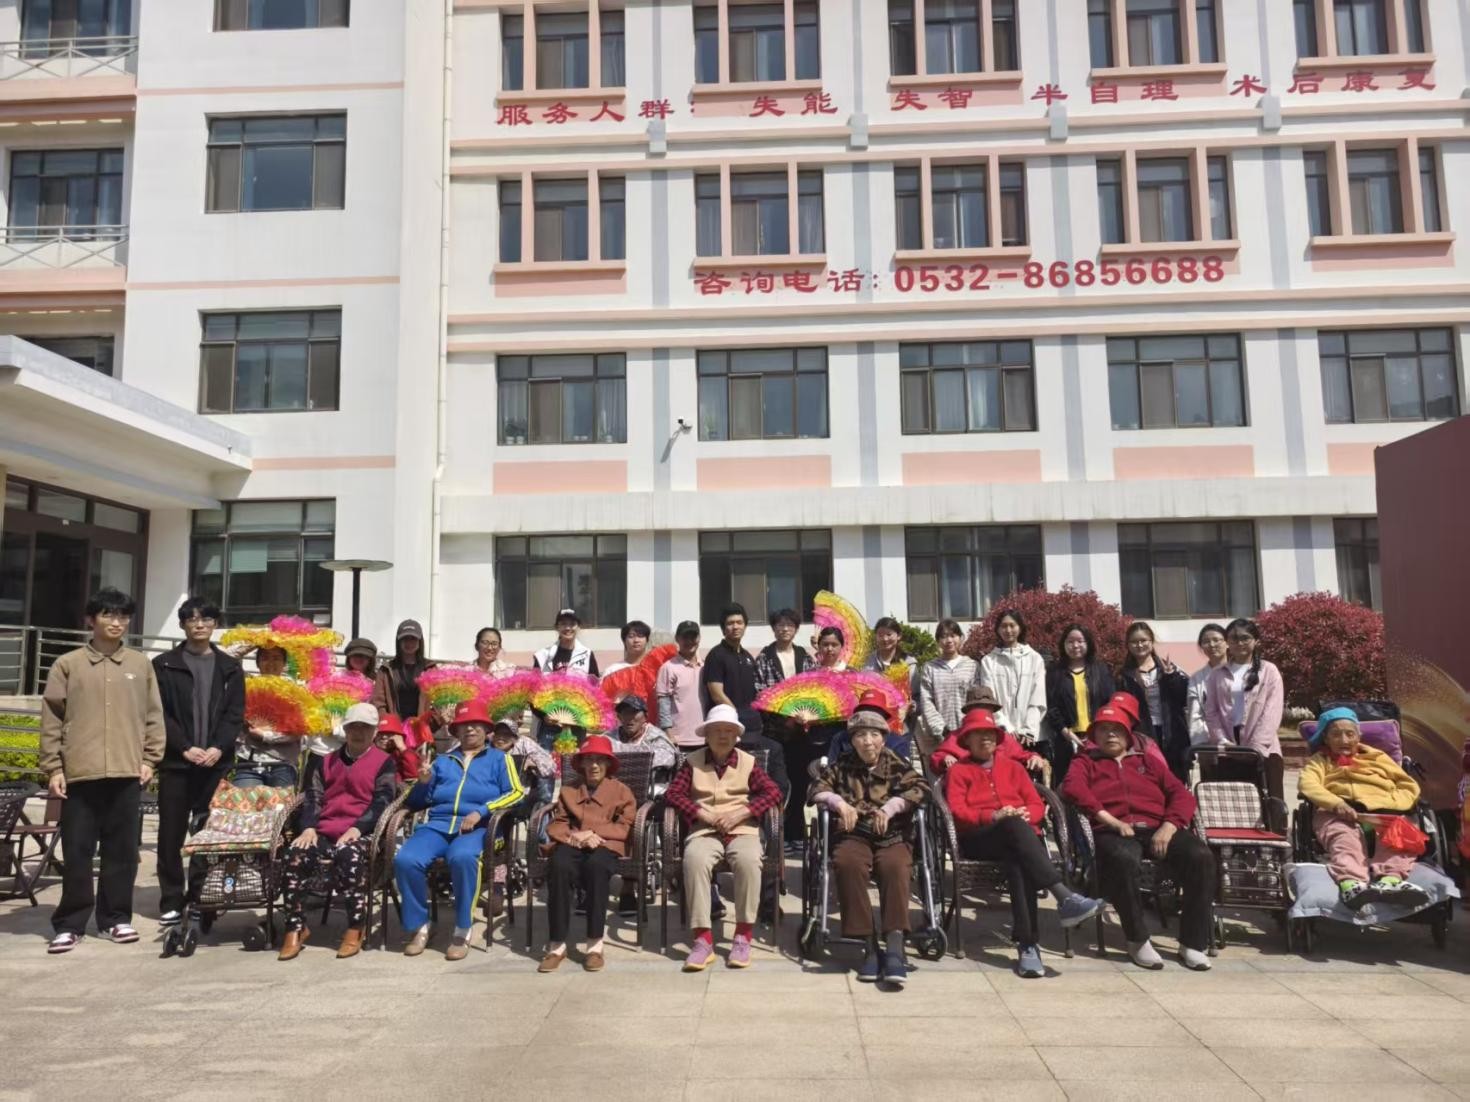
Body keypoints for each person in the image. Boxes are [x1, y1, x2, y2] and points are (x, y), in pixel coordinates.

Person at [38, 588, 164, 954]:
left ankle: (115, 918)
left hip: (126, 771)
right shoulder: (68, 664)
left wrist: (150, 759)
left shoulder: (140, 665)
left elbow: (154, 715)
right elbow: (52, 719)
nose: (117, 622)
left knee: (121, 852)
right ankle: (70, 923)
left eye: (123, 616)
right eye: (108, 614)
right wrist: (53, 767)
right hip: (80, 772)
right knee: (77, 851)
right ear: (90, 620)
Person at [945, 710, 1103, 978]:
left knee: (1019, 859)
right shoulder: (959, 771)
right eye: (978, 734)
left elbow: (1035, 804)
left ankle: (1028, 945)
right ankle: (1064, 897)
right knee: (1013, 828)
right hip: (979, 839)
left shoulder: (1013, 768)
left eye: (990, 733)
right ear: (967, 741)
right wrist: (993, 815)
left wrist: (1026, 814)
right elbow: (957, 811)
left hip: (1018, 839)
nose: (985, 738)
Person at [1062, 704, 1216, 972]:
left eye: (1117, 729)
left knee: (1201, 856)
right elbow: (1073, 789)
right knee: (1123, 859)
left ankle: (1192, 943)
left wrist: (1169, 826)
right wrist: (1111, 821)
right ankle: (1138, 939)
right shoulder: (1085, 762)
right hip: (1112, 830)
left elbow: (1181, 794)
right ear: (1094, 736)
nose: (1111, 734)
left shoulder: (1147, 762)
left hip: (1157, 827)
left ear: (1128, 735)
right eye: (1104, 730)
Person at [394, 700, 525, 960]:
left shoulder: (500, 759)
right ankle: (420, 925)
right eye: (464, 726)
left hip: (480, 828)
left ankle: (462, 927)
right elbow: (416, 802)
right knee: (405, 859)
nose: (470, 730)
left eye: (476, 725)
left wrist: (482, 811)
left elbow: (517, 792)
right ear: (456, 731)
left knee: (462, 857)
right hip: (438, 825)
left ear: (486, 730)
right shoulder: (442, 761)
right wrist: (423, 783)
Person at [808, 709, 930, 985]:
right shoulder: (842, 765)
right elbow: (816, 789)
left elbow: (922, 789)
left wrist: (891, 808)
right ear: (852, 740)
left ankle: (895, 945)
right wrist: (839, 803)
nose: (867, 741)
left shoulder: (896, 763)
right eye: (861, 735)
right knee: (847, 863)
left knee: (895, 867)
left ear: (883, 739)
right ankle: (868, 944)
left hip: (892, 835)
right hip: (854, 834)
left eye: (874, 735)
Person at [664, 705, 783, 971]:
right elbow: (673, 794)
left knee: (749, 861)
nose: (722, 735)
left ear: (736, 736)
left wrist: (743, 812)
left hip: (742, 828)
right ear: (706, 735)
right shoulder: (692, 762)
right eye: (716, 730)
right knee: (694, 860)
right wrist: (702, 814)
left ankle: (743, 936)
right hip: (704, 829)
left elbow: (773, 792)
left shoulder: (748, 762)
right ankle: (702, 940)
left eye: (728, 731)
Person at [152, 597, 245, 929]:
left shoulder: (229, 667)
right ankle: (171, 900)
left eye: (206, 619)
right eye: (192, 619)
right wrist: (184, 747)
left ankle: (199, 895)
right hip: (177, 763)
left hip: (215, 763)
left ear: (215, 624)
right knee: (171, 833)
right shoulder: (164, 664)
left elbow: (235, 713)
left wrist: (219, 747)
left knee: (207, 833)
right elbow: (159, 713)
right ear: (182, 625)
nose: (200, 624)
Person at [278, 703, 397, 960]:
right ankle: (295, 927)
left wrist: (358, 827)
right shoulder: (326, 761)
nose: (358, 732)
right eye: (353, 727)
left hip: (363, 831)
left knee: (349, 854)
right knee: (294, 855)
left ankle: (355, 926)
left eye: (365, 728)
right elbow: (313, 796)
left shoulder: (384, 762)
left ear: (374, 732)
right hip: (325, 829)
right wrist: (308, 827)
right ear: (345, 729)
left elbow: (383, 800)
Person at [1299, 707, 1430, 910]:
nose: (1344, 740)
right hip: (1338, 812)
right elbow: (1308, 784)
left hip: (1385, 810)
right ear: (1325, 738)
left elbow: (1407, 785)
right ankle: (1352, 884)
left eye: (1350, 734)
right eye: (1336, 734)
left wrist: (1393, 805)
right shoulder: (1320, 760)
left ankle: (1390, 881)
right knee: (1344, 837)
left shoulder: (1378, 757)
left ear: (1359, 736)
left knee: (1400, 835)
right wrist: (1336, 804)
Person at [538, 735, 637, 973]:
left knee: (597, 867)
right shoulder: (569, 790)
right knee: (559, 865)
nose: (594, 765)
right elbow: (557, 823)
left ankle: (594, 944)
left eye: (600, 760)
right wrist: (577, 836)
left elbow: (626, 826)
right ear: (581, 764)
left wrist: (592, 832)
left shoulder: (621, 791)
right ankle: (557, 945)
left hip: (606, 844)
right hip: (573, 842)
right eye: (589, 760)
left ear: (608, 764)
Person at [776, 625, 849, 850]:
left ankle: (836, 835)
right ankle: (794, 832)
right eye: (825, 644)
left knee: (838, 786)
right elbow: (795, 703)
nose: (829, 649)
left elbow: (851, 708)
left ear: (841, 647)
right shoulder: (809, 676)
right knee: (801, 784)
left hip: (840, 739)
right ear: (818, 647)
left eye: (834, 645)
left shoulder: (851, 674)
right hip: (809, 739)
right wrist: (799, 716)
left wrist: (825, 716)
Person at [1202, 618, 1286, 801]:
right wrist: (1222, 741)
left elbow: (1271, 712)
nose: (1239, 643)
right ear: (1227, 642)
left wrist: (1255, 748)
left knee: (1269, 802)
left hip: (1264, 749)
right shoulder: (1217, 674)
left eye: (1245, 638)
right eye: (1233, 638)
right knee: (1235, 803)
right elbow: (1211, 712)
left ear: (1256, 641)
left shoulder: (1269, 670)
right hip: (1229, 747)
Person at [488, 717, 556, 916]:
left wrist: (533, 762)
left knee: (504, 827)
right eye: (498, 734)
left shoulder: (525, 744)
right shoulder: (486, 747)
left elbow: (550, 767)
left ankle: (499, 883)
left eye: (506, 734)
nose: (501, 738)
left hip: (520, 800)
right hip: (490, 800)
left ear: (515, 736)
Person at [1116, 621, 1191, 784]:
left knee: (1175, 779)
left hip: (1172, 733)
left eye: (1143, 640)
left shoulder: (1168, 668)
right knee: (1149, 779)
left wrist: (1172, 677)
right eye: (1134, 642)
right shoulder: (1124, 676)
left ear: (1151, 641)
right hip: (1142, 734)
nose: (1139, 645)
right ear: (1128, 645)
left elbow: (1184, 698)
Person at [1043, 623, 1115, 784]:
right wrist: (1066, 732)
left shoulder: (1100, 670)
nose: (1075, 645)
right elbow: (1051, 706)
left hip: (1098, 737)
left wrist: (1099, 731)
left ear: (1088, 643)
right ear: (1063, 645)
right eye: (1070, 641)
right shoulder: (1054, 673)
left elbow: (1109, 703)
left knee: (1100, 782)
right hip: (1066, 739)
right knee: (1069, 783)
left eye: (1080, 641)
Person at [929, 686, 1047, 777]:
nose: (982, 711)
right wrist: (945, 758)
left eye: (986, 707)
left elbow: (1021, 755)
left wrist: (1034, 757)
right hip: (969, 789)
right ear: (969, 711)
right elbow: (936, 759)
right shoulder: (955, 737)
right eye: (978, 707)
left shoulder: (1002, 736)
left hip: (1004, 788)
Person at [978, 608, 1047, 752]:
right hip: (1000, 735)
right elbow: (989, 699)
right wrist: (1005, 727)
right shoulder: (989, 661)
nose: (1008, 630)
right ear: (997, 629)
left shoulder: (1034, 659)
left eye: (1012, 625)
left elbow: (1038, 697)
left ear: (1020, 627)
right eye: (1003, 626)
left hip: (1031, 737)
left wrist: (1029, 729)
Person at [234, 646, 304, 787]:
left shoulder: (296, 693)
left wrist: (266, 736)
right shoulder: (247, 685)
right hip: (248, 762)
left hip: (283, 764)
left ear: (284, 663)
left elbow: (298, 732)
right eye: (265, 658)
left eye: (276, 658)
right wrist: (254, 642)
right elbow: (228, 660)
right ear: (257, 662)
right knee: (243, 801)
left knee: (281, 803)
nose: (271, 663)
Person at [917, 619, 977, 758]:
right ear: (938, 641)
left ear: (961, 638)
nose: (949, 640)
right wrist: (941, 730)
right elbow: (927, 701)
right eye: (944, 636)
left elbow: (976, 700)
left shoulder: (972, 666)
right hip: (938, 737)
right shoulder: (930, 668)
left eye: (953, 635)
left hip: (967, 734)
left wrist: (969, 725)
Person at [702, 603, 760, 733]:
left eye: (739, 622)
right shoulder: (716, 655)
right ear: (723, 629)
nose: (735, 627)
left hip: (751, 724)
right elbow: (717, 694)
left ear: (745, 626)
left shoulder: (748, 657)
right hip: (727, 725)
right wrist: (735, 717)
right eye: (730, 623)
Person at [372, 619, 437, 720]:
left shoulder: (430, 668)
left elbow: (438, 701)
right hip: (394, 727)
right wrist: (389, 723)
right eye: (405, 639)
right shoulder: (386, 670)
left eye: (413, 639)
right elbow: (378, 702)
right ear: (398, 641)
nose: (409, 643)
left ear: (420, 641)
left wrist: (430, 723)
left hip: (423, 726)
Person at [656, 620, 706, 750]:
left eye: (693, 637)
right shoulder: (668, 668)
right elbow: (664, 704)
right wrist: (669, 734)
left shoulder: (706, 666)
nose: (689, 641)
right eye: (685, 637)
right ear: (677, 639)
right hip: (679, 740)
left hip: (705, 737)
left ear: (699, 638)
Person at [864, 616, 918, 724]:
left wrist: (910, 707)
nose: (885, 639)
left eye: (889, 634)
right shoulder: (867, 662)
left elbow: (917, 696)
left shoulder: (908, 663)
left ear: (899, 636)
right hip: (873, 721)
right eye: (880, 635)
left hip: (902, 723)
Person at [611, 694, 679, 772]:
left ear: (645, 716)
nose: (629, 717)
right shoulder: (609, 738)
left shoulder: (656, 737)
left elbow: (667, 759)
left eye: (634, 712)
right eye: (625, 713)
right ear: (619, 717)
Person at [1186, 623, 1228, 747]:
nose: (1212, 645)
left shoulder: (1240, 672)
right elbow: (1195, 715)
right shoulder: (1196, 678)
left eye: (1216, 640)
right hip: (1211, 744)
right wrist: (1201, 745)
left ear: (1227, 643)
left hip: (1242, 741)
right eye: (1206, 642)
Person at [754, 608, 814, 692]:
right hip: (774, 700)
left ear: (796, 629)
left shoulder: (805, 656)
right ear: (773, 628)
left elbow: (813, 683)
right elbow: (759, 688)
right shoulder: (764, 657)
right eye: (781, 625)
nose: (785, 629)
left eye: (790, 625)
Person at [533, 608, 599, 677]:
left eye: (572, 624)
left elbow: (595, 682)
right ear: (557, 627)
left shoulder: (587, 655)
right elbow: (534, 682)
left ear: (578, 627)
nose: (567, 628)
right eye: (563, 624)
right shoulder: (543, 656)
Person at [374, 715, 422, 785]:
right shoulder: (369, 755)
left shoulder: (402, 755)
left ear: (399, 737)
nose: (384, 737)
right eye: (380, 734)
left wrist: (402, 748)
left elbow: (414, 776)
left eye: (389, 734)